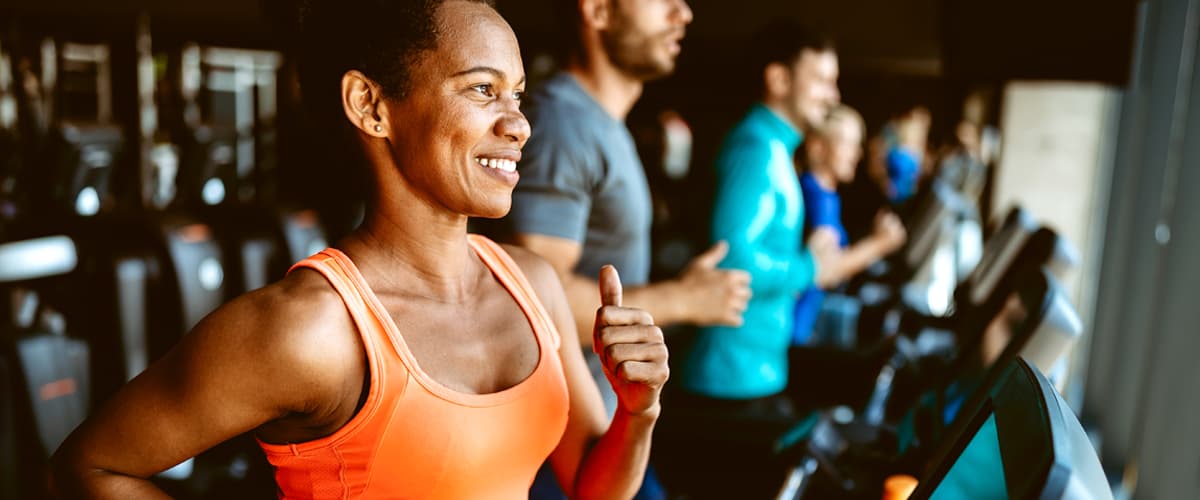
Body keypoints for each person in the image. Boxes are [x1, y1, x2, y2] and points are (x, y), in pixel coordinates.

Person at [51, 1, 668, 498]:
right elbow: (91, 468)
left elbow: (592, 488)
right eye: (482, 90)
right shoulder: (310, 330)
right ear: (370, 106)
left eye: (517, 94)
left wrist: (636, 411)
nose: (519, 123)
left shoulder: (531, 283)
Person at [500, 0, 747, 416]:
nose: (682, 13)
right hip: (562, 441)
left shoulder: (600, 122)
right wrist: (682, 299)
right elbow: (536, 299)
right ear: (598, 11)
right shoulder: (563, 125)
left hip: (608, 419)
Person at [679, 21, 841, 405]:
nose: (832, 95)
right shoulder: (757, 150)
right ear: (779, 79)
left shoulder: (775, 148)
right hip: (731, 374)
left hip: (751, 370)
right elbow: (733, 259)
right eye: (820, 79)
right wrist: (810, 267)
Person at [793, 105, 906, 345]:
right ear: (818, 147)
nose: (857, 154)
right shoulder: (816, 197)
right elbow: (826, 272)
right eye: (848, 144)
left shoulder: (827, 195)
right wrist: (880, 243)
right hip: (797, 331)